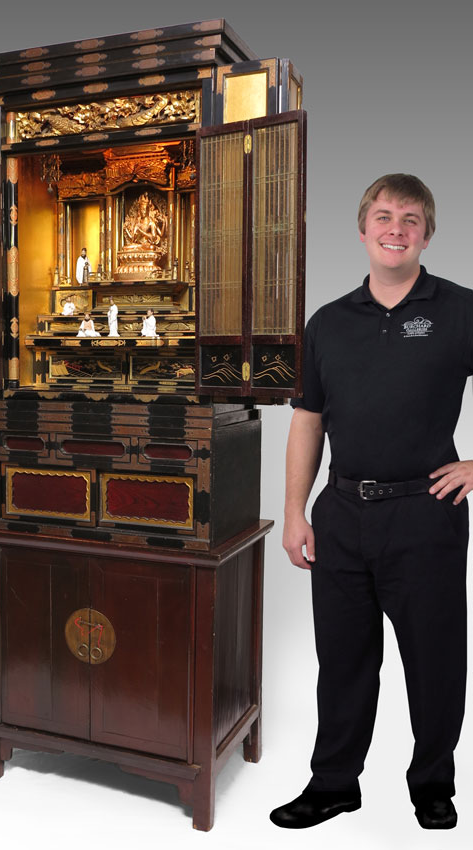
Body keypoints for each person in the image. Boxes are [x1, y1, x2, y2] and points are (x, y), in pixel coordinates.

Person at [270, 174, 473, 832]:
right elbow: (307, 419)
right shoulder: (327, 323)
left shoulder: (460, 310)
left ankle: (431, 784)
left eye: (409, 218)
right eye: (383, 216)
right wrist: (296, 509)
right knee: (344, 662)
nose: (395, 228)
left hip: (424, 515)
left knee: (435, 660)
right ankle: (333, 784)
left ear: (426, 234)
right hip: (341, 515)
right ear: (361, 231)